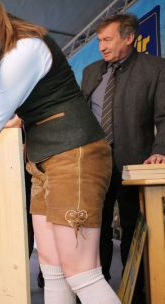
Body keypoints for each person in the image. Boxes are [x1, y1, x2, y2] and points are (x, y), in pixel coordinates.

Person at [0, 1, 120, 303]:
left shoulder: (22, 50)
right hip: (45, 160)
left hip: (74, 155)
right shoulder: (12, 50)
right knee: (52, 270)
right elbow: (14, 114)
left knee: (82, 273)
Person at [81, 14, 165, 301]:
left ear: (129, 38)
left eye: (107, 40)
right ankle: (97, 287)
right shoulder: (92, 72)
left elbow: (164, 117)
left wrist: (160, 150)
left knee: (133, 228)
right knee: (95, 228)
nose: (101, 47)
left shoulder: (155, 69)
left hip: (134, 162)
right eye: (99, 41)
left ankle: (137, 290)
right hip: (93, 165)